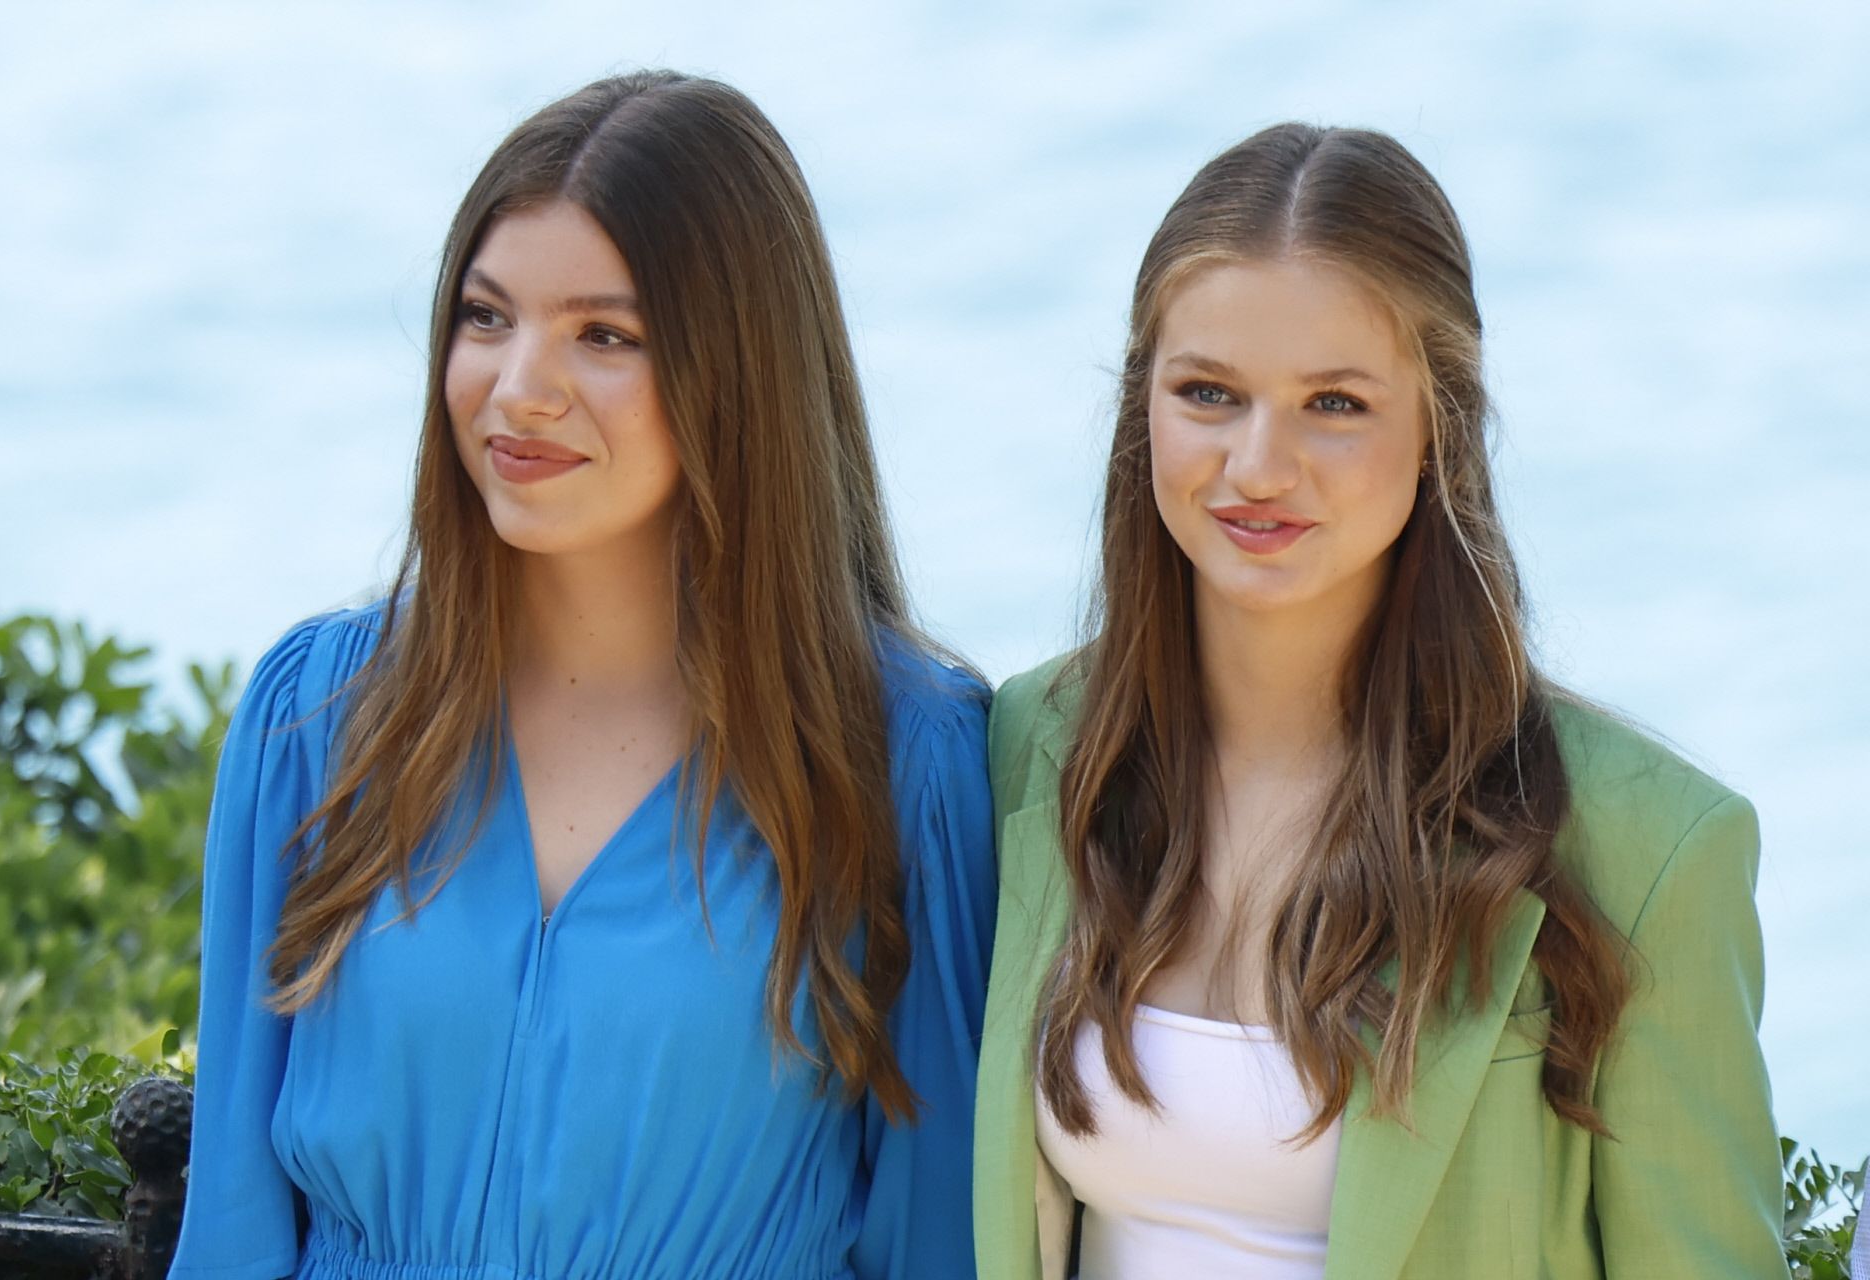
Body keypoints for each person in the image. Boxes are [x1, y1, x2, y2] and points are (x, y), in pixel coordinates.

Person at [168, 71, 993, 1280]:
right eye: (487, 317)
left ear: (740, 373)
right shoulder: (316, 717)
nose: (519, 388)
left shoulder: (902, 757)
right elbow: (232, 1227)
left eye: (604, 335)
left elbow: (935, 1242)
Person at [973, 123, 1786, 1279]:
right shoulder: (1032, 745)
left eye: (1335, 404)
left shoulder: (1648, 848)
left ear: (1436, 429)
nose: (1258, 464)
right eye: (1208, 392)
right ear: (1140, 405)